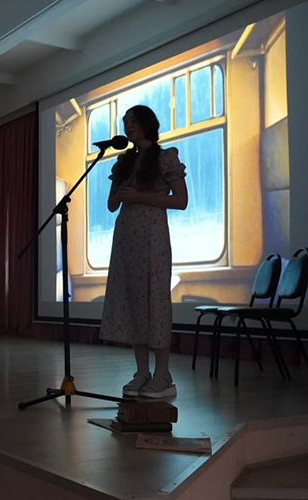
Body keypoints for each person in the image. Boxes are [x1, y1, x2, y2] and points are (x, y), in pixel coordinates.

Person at [101, 105, 189, 399]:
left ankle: (163, 374)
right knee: (133, 303)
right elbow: (112, 205)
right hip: (126, 239)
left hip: (153, 238)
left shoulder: (165, 157)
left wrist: (140, 196)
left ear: (147, 124)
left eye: (134, 121)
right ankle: (142, 372)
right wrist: (120, 188)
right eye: (126, 122)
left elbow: (181, 201)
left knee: (155, 302)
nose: (129, 126)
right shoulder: (124, 161)